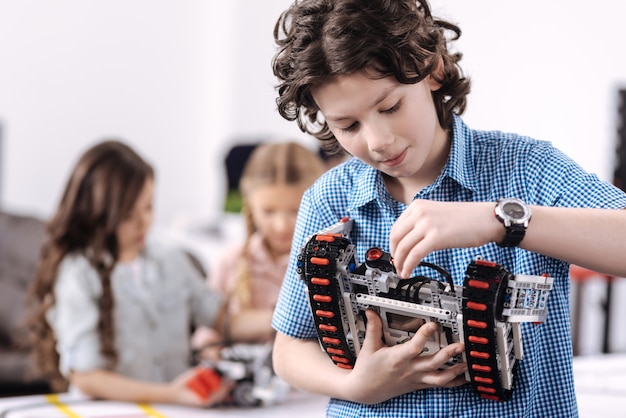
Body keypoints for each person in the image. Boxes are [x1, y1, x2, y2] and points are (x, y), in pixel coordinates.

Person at [269, 0, 626, 417]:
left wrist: (499, 220)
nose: (378, 140)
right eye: (348, 126)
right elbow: (289, 348)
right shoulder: (329, 199)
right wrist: (356, 386)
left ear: (432, 69)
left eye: (390, 107)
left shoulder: (527, 169)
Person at [26, 140, 272, 407]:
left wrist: (286, 317)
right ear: (97, 213)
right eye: (129, 216)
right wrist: (172, 394)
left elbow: (223, 321)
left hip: (177, 409)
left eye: (148, 207)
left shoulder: (170, 259)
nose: (145, 222)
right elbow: (87, 377)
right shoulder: (77, 275)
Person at [192, 141, 326, 357]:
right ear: (250, 206)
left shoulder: (331, 265)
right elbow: (205, 337)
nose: (281, 225)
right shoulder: (230, 261)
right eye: (268, 211)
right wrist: (215, 355)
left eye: (295, 211)